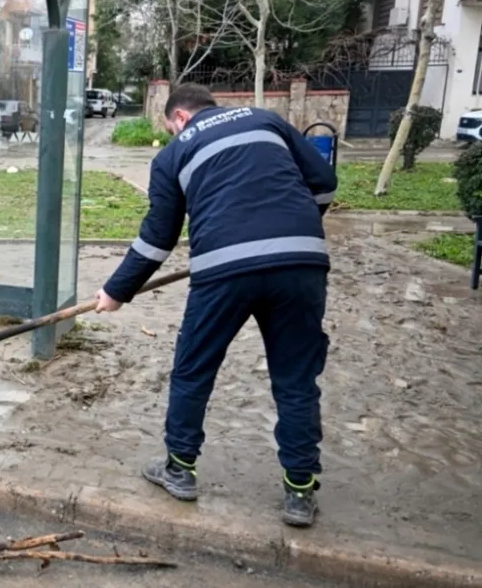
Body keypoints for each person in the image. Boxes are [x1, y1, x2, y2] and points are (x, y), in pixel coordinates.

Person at [91, 84, 337, 528]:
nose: (171, 134)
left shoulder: (171, 156)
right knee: (296, 378)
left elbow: (157, 238)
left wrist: (115, 292)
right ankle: (300, 491)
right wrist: (291, 235)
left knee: (193, 369)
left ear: (180, 119)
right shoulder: (266, 121)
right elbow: (323, 182)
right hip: (301, 264)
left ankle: (179, 470)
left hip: (224, 272)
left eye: (170, 128)